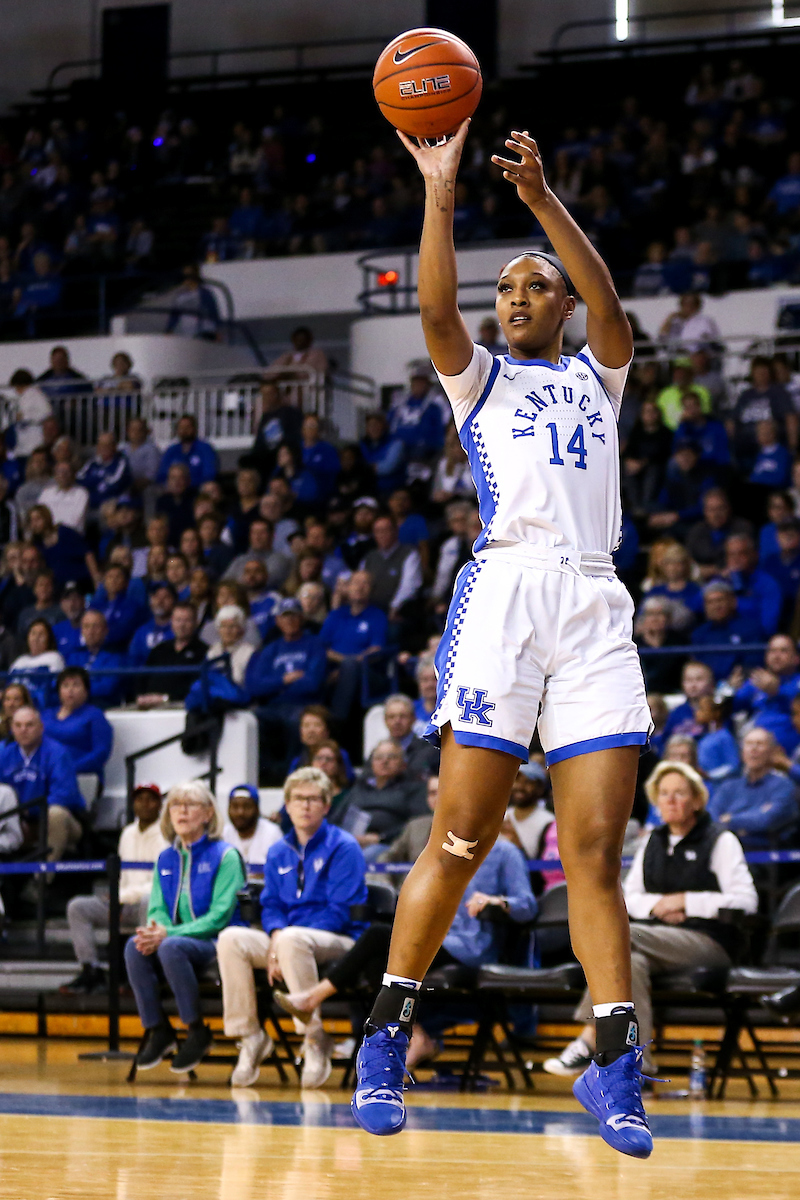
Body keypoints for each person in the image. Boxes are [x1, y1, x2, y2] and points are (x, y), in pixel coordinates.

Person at [349, 122, 655, 1157]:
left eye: (533, 288)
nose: (515, 299)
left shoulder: (596, 373)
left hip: (592, 603)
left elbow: (610, 305)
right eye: (506, 292)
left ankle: (614, 1069)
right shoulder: (479, 380)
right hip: (506, 598)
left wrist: (539, 203)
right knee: (460, 839)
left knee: (594, 857)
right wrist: (439, 188)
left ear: (560, 303)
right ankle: (385, 1035)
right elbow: (435, 307)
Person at [543, 761, 756, 1079]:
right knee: (632, 964)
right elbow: (630, 896)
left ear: (697, 800)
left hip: (710, 942)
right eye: (664, 794)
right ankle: (639, 1071)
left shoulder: (720, 840)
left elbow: (745, 900)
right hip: (656, 939)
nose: (671, 800)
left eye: (680, 793)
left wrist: (686, 901)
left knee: (614, 938)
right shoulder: (651, 841)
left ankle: (589, 1037)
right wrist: (660, 905)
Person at [216, 767, 366, 1088]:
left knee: (292, 940)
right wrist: (274, 935)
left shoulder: (345, 847)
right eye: (298, 798)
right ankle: (251, 1036)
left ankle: (313, 1037)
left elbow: (338, 912)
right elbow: (271, 904)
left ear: (327, 806)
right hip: (290, 939)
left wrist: (283, 939)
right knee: (231, 939)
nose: (305, 805)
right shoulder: (278, 850)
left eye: (313, 799)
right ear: (286, 804)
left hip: (341, 939)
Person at [125, 781, 246, 1072]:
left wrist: (169, 934)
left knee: (171, 947)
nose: (181, 811)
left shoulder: (226, 855)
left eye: (190, 805)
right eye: (176, 805)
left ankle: (196, 1030)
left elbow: (219, 916)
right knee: (134, 946)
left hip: (219, 942)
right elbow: (156, 908)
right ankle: (158, 1028)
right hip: (176, 941)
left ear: (207, 814)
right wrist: (158, 932)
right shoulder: (166, 857)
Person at [61, 784, 167, 994]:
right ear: (132, 804)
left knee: (148, 901)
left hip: (146, 904)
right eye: (139, 799)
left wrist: (121, 897)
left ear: (159, 804)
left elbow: (159, 884)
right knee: (78, 907)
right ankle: (91, 970)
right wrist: (115, 896)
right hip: (123, 901)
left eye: (151, 799)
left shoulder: (166, 835)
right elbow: (122, 875)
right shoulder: (127, 833)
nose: (145, 804)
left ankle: (145, 973)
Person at [0, 706, 85, 861]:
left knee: (56, 814)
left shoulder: (57, 753)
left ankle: (43, 879)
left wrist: (29, 813)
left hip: (62, 821)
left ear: (41, 727)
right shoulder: (5, 755)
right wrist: (18, 819)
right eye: (18, 725)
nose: (23, 730)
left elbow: (65, 795)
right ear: (12, 729)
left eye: (29, 725)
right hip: (20, 821)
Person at [333, 739, 428, 859]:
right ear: (371, 763)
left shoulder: (413, 789)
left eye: (391, 757)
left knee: (368, 854)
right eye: (378, 758)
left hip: (391, 845)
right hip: (352, 842)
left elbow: (417, 824)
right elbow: (335, 820)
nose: (384, 761)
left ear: (403, 764)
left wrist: (381, 838)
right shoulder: (358, 788)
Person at [708, 728, 798, 847]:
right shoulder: (728, 787)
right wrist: (755, 815)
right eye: (749, 744)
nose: (753, 749)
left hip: (767, 857)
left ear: (772, 752)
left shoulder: (784, 786)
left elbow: (768, 820)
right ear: (741, 752)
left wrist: (730, 819)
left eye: (760, 744)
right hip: (727, 851)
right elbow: (712, 819)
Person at [42, 667, 113, 784]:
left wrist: (69, 769)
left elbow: (101, 752)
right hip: (45, 773)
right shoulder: (45, 715)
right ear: (59, 691)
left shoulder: (95, 715)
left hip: (81, 775)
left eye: (76, 685)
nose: (70, 690)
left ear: (86, 690)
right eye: (65, 686)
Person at [690, 580, 763, 680]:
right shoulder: (698, 634)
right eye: (710, 602)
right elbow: (696, 665)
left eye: (720, 600)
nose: (716, 606)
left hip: (741, 685)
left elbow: (753, 664)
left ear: (733, 602)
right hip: (706, 687)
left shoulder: (751, 628)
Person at [137, 601, 207, 706]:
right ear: (172, 622)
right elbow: (143, 678)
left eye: (187, 620)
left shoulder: (204, 652)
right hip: (149, 707)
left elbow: (197, 687)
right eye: (178, 620)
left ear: (196, 622)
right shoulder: (159, 649)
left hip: (181, 708)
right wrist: (141, 696)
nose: (182, 625)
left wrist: (165, 698)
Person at [66, 610, 125, 708]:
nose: (90, 631)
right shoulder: (74, 655)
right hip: (74, 706)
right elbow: (64, 682)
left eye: (95, 626)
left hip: (103, 706)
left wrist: (77, 690)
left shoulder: (115, 657)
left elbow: (107, 687)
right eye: (86, 626)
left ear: (105, 630)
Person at [222, 783, 281, 872]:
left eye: (247, 807)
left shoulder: (272, 833)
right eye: (235, 807)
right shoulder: (224, 834)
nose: (240, 812)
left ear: (257, 809)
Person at [383, 692, 440, 780]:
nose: (397, 722)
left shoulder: (430, 751)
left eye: (403, 716)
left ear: (413, 719)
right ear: (385, 721)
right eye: (391, 717)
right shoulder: (378, 753)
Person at [157, 413, 219, 489]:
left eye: (187, 427)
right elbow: (162, 473)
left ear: (194, 428)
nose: (184, 430)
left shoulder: (205, 448)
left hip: (197, 490)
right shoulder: (171, 450)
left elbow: (209, 474)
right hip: (173, 491)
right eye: (181, 427)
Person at [76, 432, 132, 512]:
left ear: (114, 447)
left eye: (108, 445)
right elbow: (79, 479)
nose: (104, 448)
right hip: (91, 500)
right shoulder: (92, 462)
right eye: (101, 445)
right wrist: (98, 483)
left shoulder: (121, 462)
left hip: (111, 501)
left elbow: (115, 485)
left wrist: (91, 483)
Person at [6, 369, 52, 458]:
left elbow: (46, 412)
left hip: (34, 434)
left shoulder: (36, 395)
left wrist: (25, 417)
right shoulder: (23, 397)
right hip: (24, 437)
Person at [128, 583, 175, 668]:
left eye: (166, 597)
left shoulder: (179, 630)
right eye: (156, 596)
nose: (160, 601)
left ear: (174, 601)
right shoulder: (142, 631)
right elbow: (133, 660)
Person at [207, 604, 255, 686]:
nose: (227, 631)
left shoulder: (250, 652)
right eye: (223, 626)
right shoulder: (213, 650)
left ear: (241, 629)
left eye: (232, 626)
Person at [38, 461, 89, 533]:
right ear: (54, 475)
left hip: (71, 534)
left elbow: (76, 520)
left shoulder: (81, 493)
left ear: (73, 474)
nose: (63, 475)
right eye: (59, 472)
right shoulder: (46, 493)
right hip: (47, 534)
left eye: (66, 472)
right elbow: (40, 514)